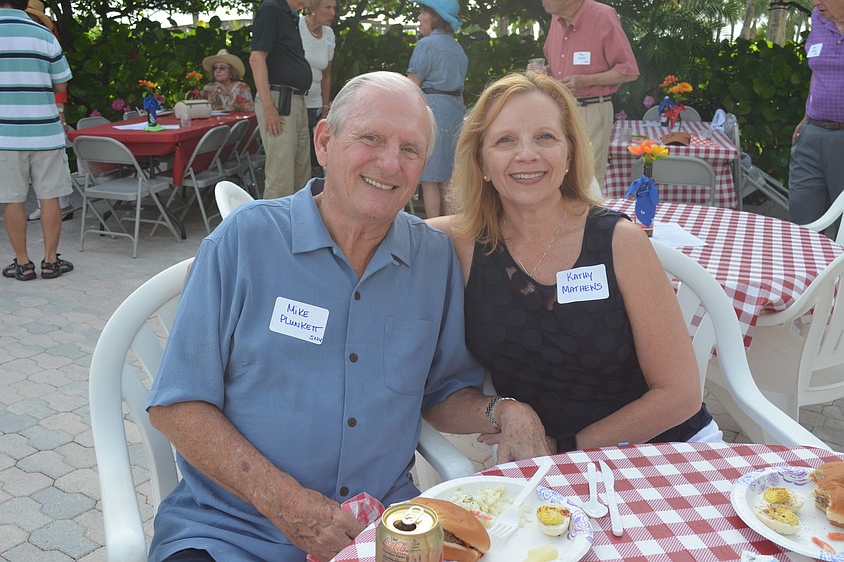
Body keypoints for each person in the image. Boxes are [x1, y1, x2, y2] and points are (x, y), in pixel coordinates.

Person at [146, 71, 550, 562]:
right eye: (371, 138)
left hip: (380, 530)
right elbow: (176, 404)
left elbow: (442, 392)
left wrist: (506, 410)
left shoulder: (433, 259)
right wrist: (286, 503)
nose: (389, 163)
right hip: (233, 530)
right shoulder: (245, 241)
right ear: (325, 140)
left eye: (410, 149)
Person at [428, 72, 720, 454]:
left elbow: (679, 395)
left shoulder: (619, 242)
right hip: (548, 467)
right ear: (481, 161)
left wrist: (566, 447)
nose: (527, 154)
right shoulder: (457, 244)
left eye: (545, 137)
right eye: (505, 140)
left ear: (569, 154)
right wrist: (504, 413)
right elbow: (376, 232)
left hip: (662, 450)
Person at [0, 0, 74, 281]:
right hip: (45, 132)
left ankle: (23, 264)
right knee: (49, 196)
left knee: (12, 200)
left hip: (3, 135)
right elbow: (61, 82)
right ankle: (51, 262)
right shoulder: (43, 34)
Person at [540, 0, 639, 192]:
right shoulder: (556, 18)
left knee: (586, 179)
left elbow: (629, 71)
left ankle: (588, 222)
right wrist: (544, 72)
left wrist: (585, 81)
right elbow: (553, 65)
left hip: (590, 110)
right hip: (556, 110)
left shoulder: (603, 16)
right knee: (557, 175)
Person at [407, 0, 467, 218]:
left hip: (434, 110)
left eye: (423, 12)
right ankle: (452, 230)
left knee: (430, 178)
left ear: (434, 17)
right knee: (449, 178)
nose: (419, 17)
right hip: (455, 111)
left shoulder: (426, 45)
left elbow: (412, 83)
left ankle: (431, 229)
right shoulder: (457, 47)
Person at [788, 0, 844, 226]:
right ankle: (801, 261)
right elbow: (817, 70)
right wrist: (806, 117)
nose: (815, 1)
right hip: (813, 132)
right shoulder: (818, 18)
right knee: (802, 219)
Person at [250, 0, 313, 200]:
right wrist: (269, 107)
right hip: (279, 99)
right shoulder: (272, 8)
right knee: (281, 177)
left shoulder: (289, 15)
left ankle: (298, 228)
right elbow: (256, 58)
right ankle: (272, 231)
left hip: (296, 99)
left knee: (301, 175)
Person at [24, 0, 73, 222]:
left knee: (52, 163)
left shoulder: (44, 37)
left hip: (49, 110)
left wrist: (60, 111)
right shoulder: (39, 37)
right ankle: (55, 206)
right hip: (35, 112)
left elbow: (59, 83)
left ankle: (61, 206)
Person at [300, 0, 336, 178]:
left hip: (315, 105)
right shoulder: (296, 26)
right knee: (299, 158)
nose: (333, 13)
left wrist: (324, 107)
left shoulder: (329, 34)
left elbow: (327, 75)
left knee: (317, 158)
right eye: (328, 7)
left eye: (334, 8)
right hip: (296, 103)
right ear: (313, 8)